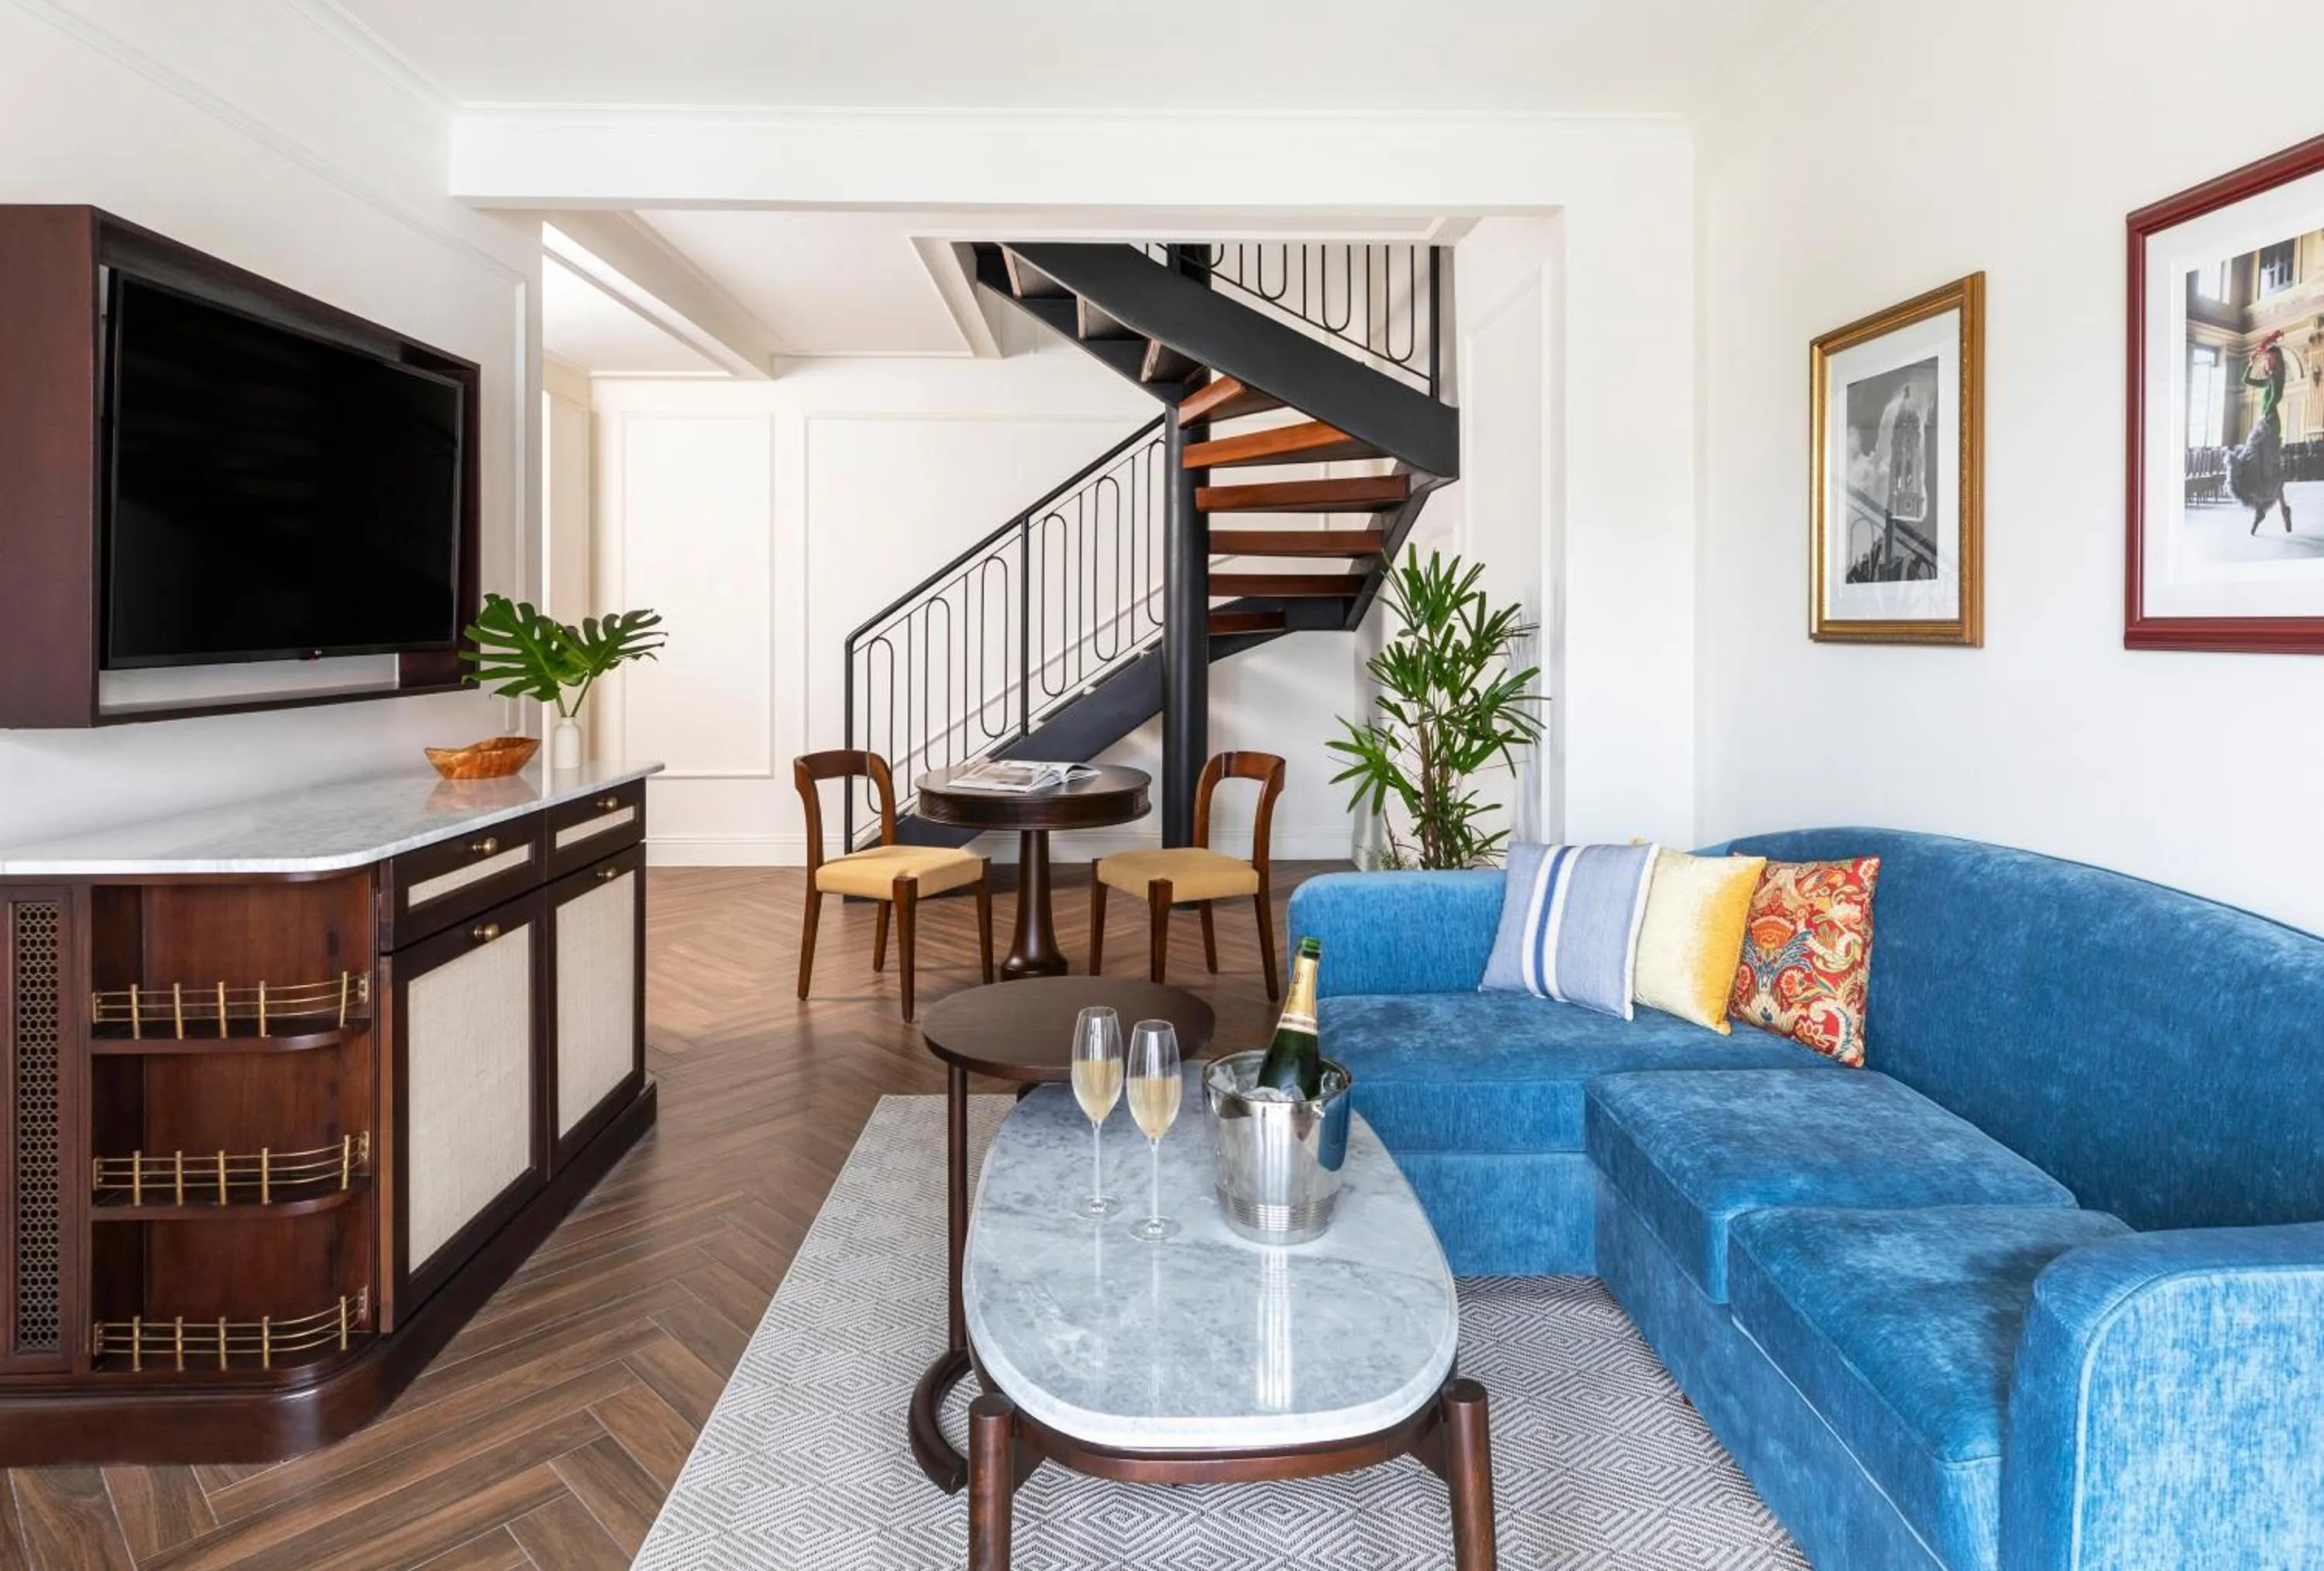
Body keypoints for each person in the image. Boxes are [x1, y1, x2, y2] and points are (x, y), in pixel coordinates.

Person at [2228, 332, 2292, 535]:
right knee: (2253, 462)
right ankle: (2260, 510)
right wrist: (2251, 363)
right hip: (2263, 423)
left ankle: (2283, 508)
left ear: (2277, 359)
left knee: (2269, 466)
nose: (2267, 360)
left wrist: (2265, 412)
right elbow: (2246, 379)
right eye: (2267, 357)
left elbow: (2276, 397)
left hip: (2271, 423)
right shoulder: (2268, 379)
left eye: (2270, 357)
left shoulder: (2278, 378)